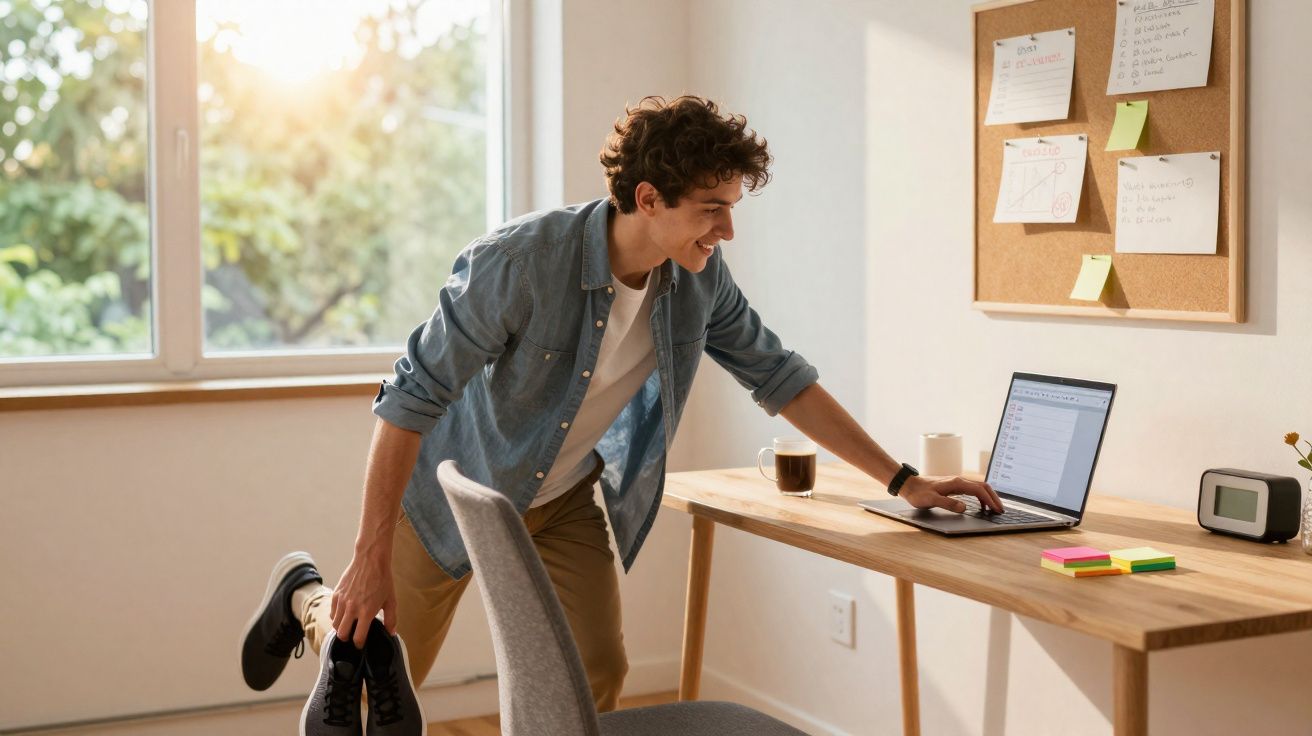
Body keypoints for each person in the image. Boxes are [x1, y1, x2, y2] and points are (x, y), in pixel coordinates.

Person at [240, 95, 1003, 735]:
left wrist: (903, 480)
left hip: (563, 496)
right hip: (446, 497)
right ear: (647, 199)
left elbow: (781, 378)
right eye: (712, 209)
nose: (727, 230)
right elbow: (409, 399)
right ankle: (304, 595)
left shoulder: (701, 282)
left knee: (592, 674)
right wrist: (368, 553)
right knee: (376, 685)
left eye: (731, 209)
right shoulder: (518, 263)